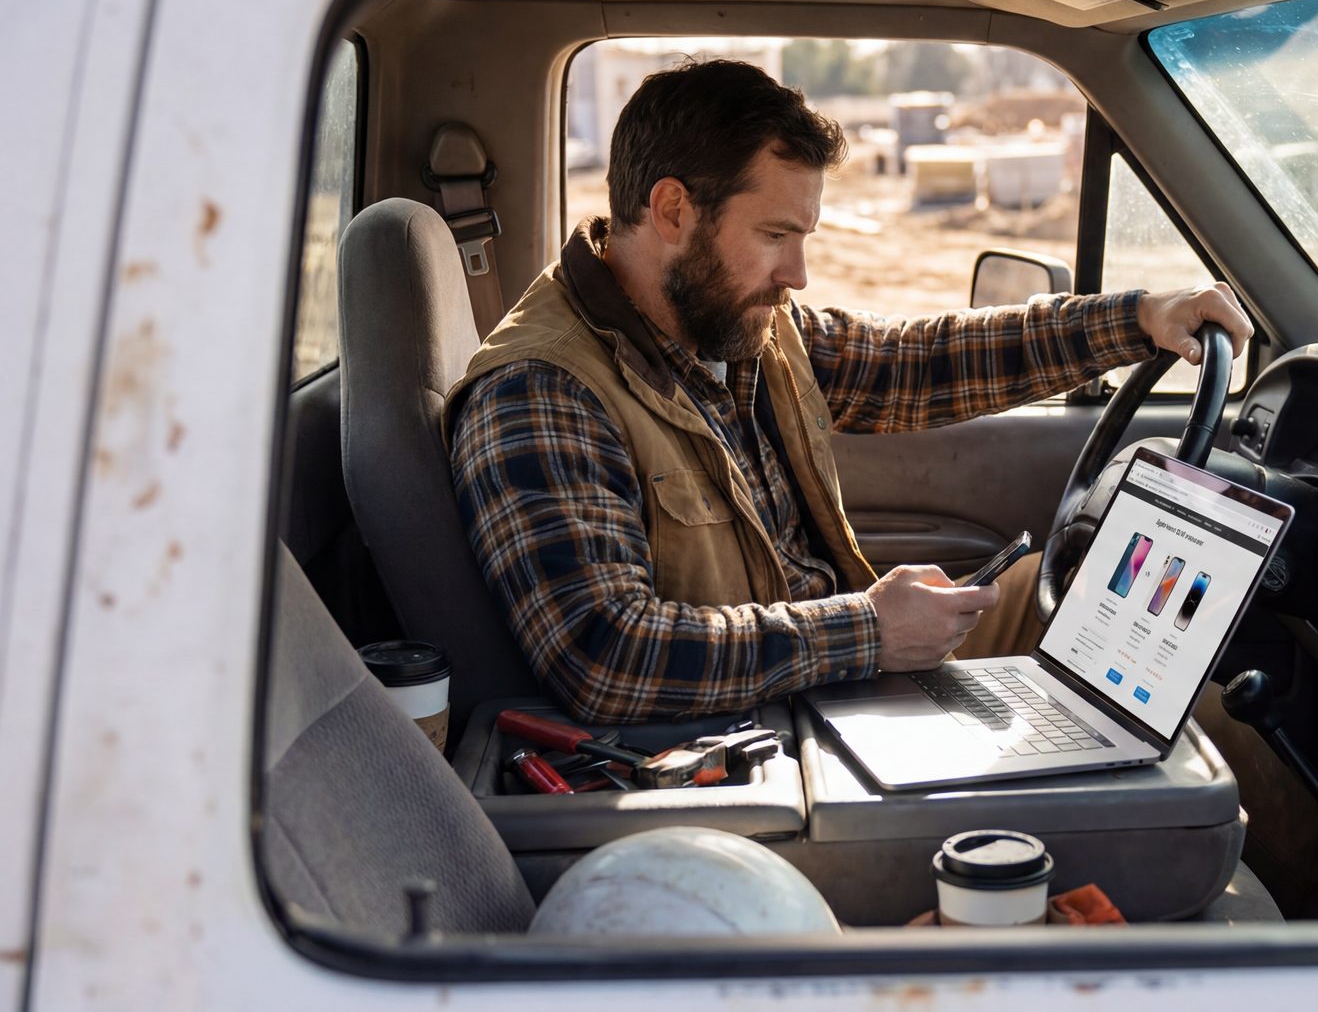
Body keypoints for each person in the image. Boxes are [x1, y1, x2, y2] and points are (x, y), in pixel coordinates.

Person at [447, 59, 1251, 723]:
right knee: (1204, 723)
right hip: (766, 736)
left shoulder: (734, 323)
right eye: (774, 237)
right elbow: (607, 655)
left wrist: (1139, 318)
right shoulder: (542, 390)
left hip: (831, 687)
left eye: (804, 238)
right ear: (671, 210)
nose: (796, 274)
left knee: (1121, 611)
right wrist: (864, 630)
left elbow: (917, 362)